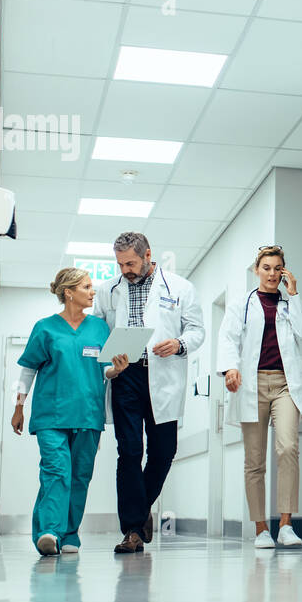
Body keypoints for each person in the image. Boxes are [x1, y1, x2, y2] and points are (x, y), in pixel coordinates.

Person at [91, 232, 204, 553]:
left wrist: (180, 344)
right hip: (125, 376)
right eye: (120, 263)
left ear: (148, 255)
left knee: (163, 452)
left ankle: (140, 512)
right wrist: (108, 362)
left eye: (130, 263)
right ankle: (132, 531)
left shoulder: (180, 288)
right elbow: (97, 332)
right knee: (128, 452)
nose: (124, 269)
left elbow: (197, 330)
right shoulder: (108, 290)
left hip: (163, 374)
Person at [11, 267, 130, 556]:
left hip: (88, 415)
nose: (93, 292)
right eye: (87, 287)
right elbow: (28, 369)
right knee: (56, 471)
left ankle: (69, 534)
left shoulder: (99, 328)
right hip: (51, 414)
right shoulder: (45, 327)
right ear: (69, 292)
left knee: (79, 476)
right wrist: (18, 406)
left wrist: (118, 369)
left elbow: (105, 371)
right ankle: (49, 531)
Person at [216, 245, 302, 549]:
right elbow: (228, 338)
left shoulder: (289, 304)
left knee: (288, 449)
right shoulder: (241, 304)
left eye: (277, 268)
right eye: (266, 268)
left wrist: (295, 293)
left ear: (284, 271)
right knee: (255, 460)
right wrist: (230, 369)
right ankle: (261, 528)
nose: (272, 274)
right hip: (253, 385)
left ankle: (286, 525)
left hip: (286, 385)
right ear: (256, 270)